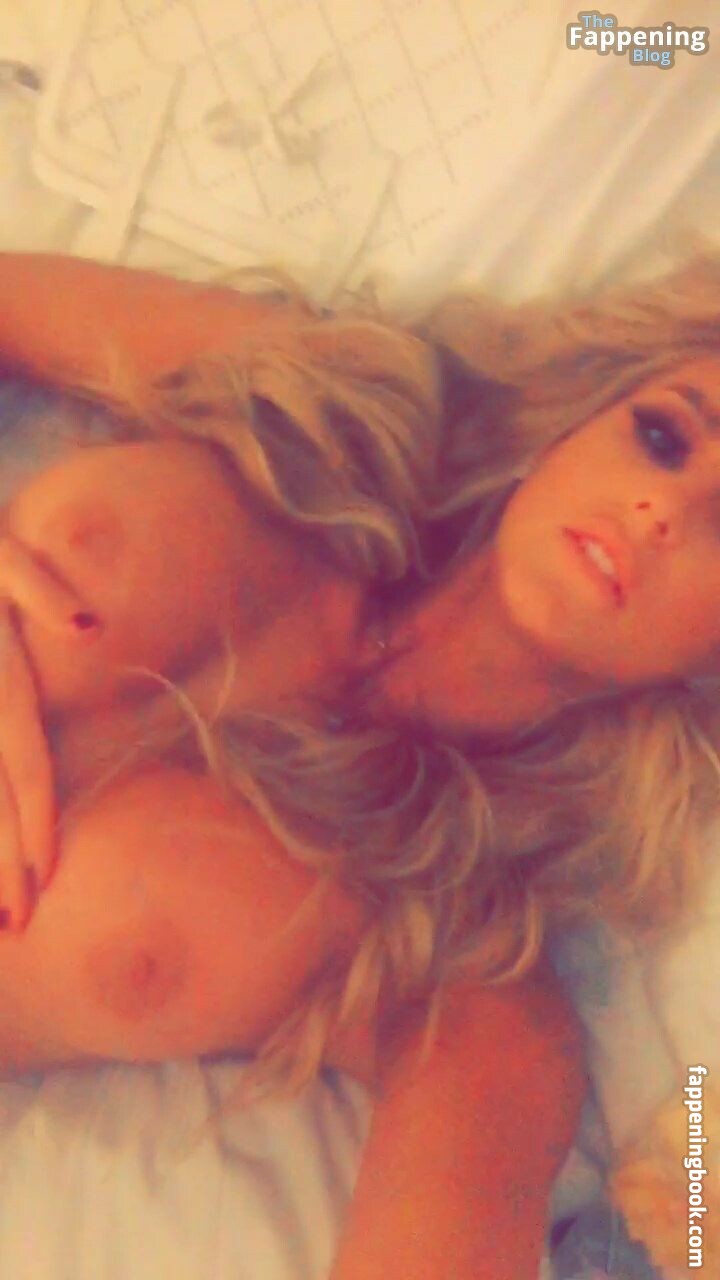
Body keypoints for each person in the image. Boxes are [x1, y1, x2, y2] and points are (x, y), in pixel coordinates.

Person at [0, 250, 718, 1278]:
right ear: (584, 419)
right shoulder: (318, 403)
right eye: (662, 437)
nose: (664, 507)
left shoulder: (463, 965)